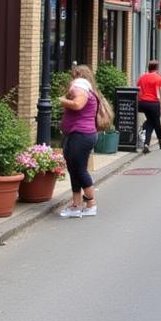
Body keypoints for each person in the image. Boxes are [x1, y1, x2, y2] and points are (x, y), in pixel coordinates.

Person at [58, 64, 100, 217]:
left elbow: (77, 105)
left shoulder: (81, 88)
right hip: (77, 134)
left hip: (81, 135)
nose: (72, 79)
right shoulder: (87, 89)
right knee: (73, 169)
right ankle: (76, 205)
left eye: (73, 75)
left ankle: (90, 203)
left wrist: (62, 100)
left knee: (80, 169)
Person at [136, 60, 161, 153]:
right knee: (156, 123)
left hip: (142, 103)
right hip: (153, 104)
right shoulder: (159, 78)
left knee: (150, 122)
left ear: (148, 68)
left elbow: (138, 89)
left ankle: (146, 144)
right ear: (157, 68)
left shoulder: (142, 77)